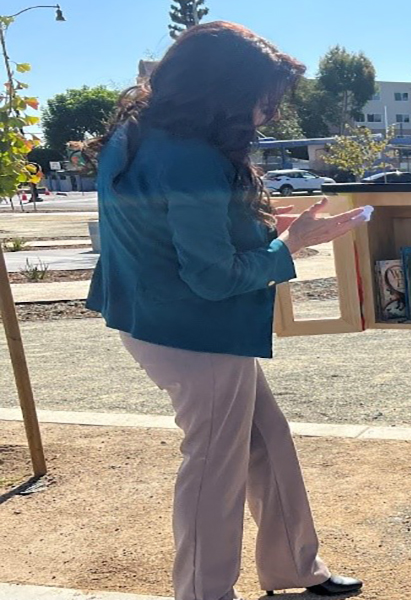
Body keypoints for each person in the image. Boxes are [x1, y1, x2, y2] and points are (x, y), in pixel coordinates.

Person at [86, 22, 368, 600]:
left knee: (266, 440)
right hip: (195, 331)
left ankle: (295, 564)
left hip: (159, 319)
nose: (268, 112)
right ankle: (203, 592)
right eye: (262, 98)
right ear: (224, 90)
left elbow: (177, 228)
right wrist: (290, 245)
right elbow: (212, 276)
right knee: (215, 468)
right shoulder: (191, 155)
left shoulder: (140, 133)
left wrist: (279, 228)